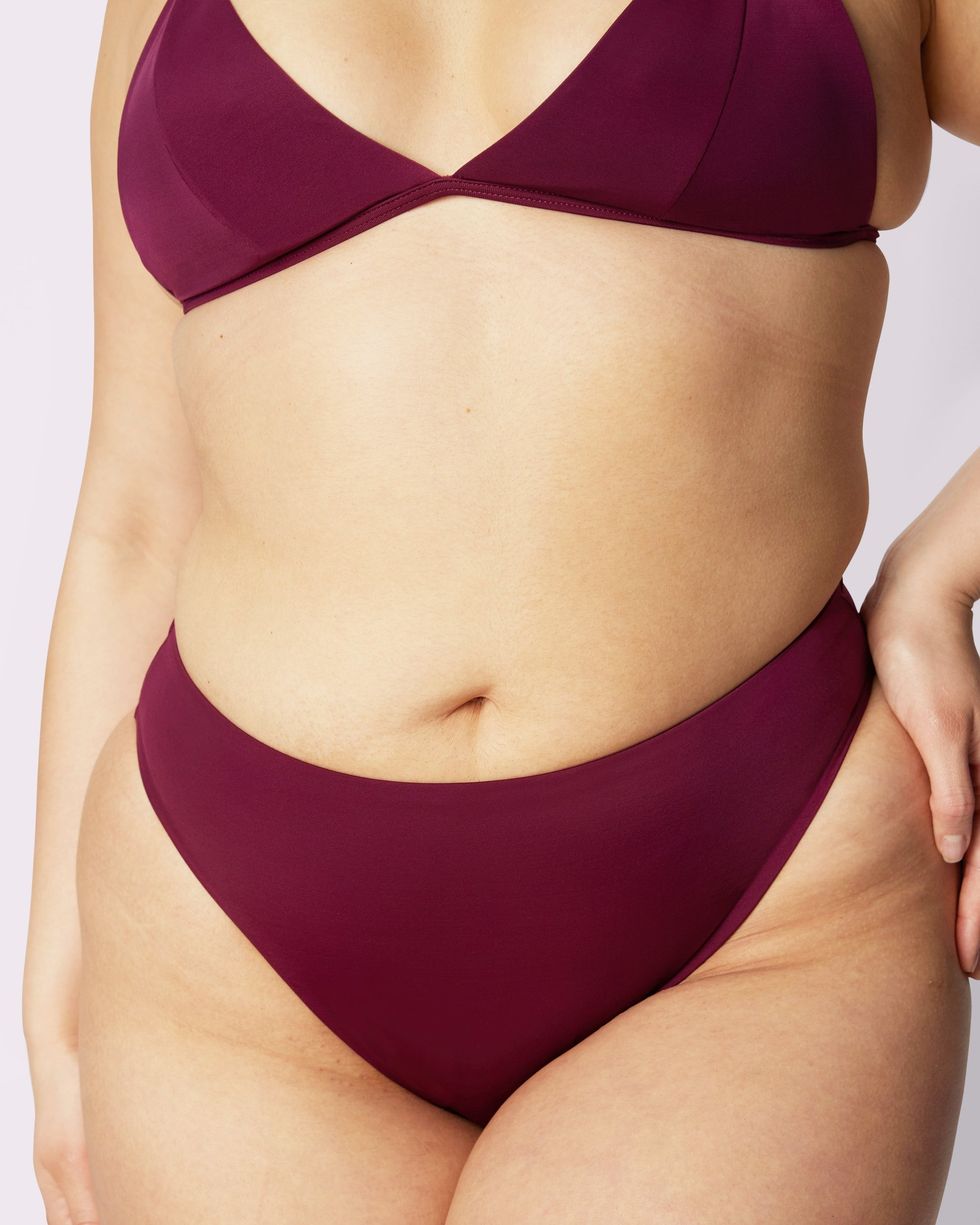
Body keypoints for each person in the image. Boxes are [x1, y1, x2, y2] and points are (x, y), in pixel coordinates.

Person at [23, 0, 979, 1220]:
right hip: (225, 954)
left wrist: (944, 565)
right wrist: (54, 994)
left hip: (761, 896)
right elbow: (135, 507)